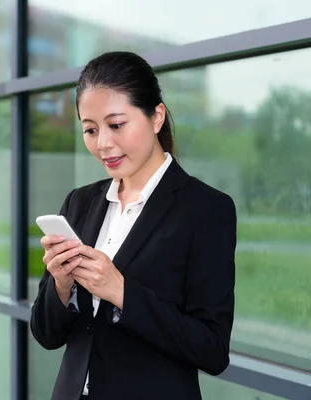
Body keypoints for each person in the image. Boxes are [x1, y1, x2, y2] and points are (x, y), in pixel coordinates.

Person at [30, 51, 237, 400]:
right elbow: (46, 334)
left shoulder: (206, 210)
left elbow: (212, 350)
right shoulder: (79, 203)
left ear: (156, 117)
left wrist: (120, 291)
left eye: (116, 125)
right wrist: (62, 286)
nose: (103, 144)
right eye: (90, 130)